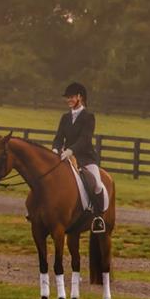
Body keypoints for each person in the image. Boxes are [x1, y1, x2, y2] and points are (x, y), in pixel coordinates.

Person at [52, 81, 106, 232]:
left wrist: (71, 150)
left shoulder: (89, 117)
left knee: (96, 184)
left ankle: (98, 218)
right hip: (67, 157)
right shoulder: (65, 117)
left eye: (71, 97)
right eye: (67, 97)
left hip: (86, 158)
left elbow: (85, 139)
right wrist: (56, 150)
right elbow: (58, 137)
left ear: (79, 97)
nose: (68, 100)